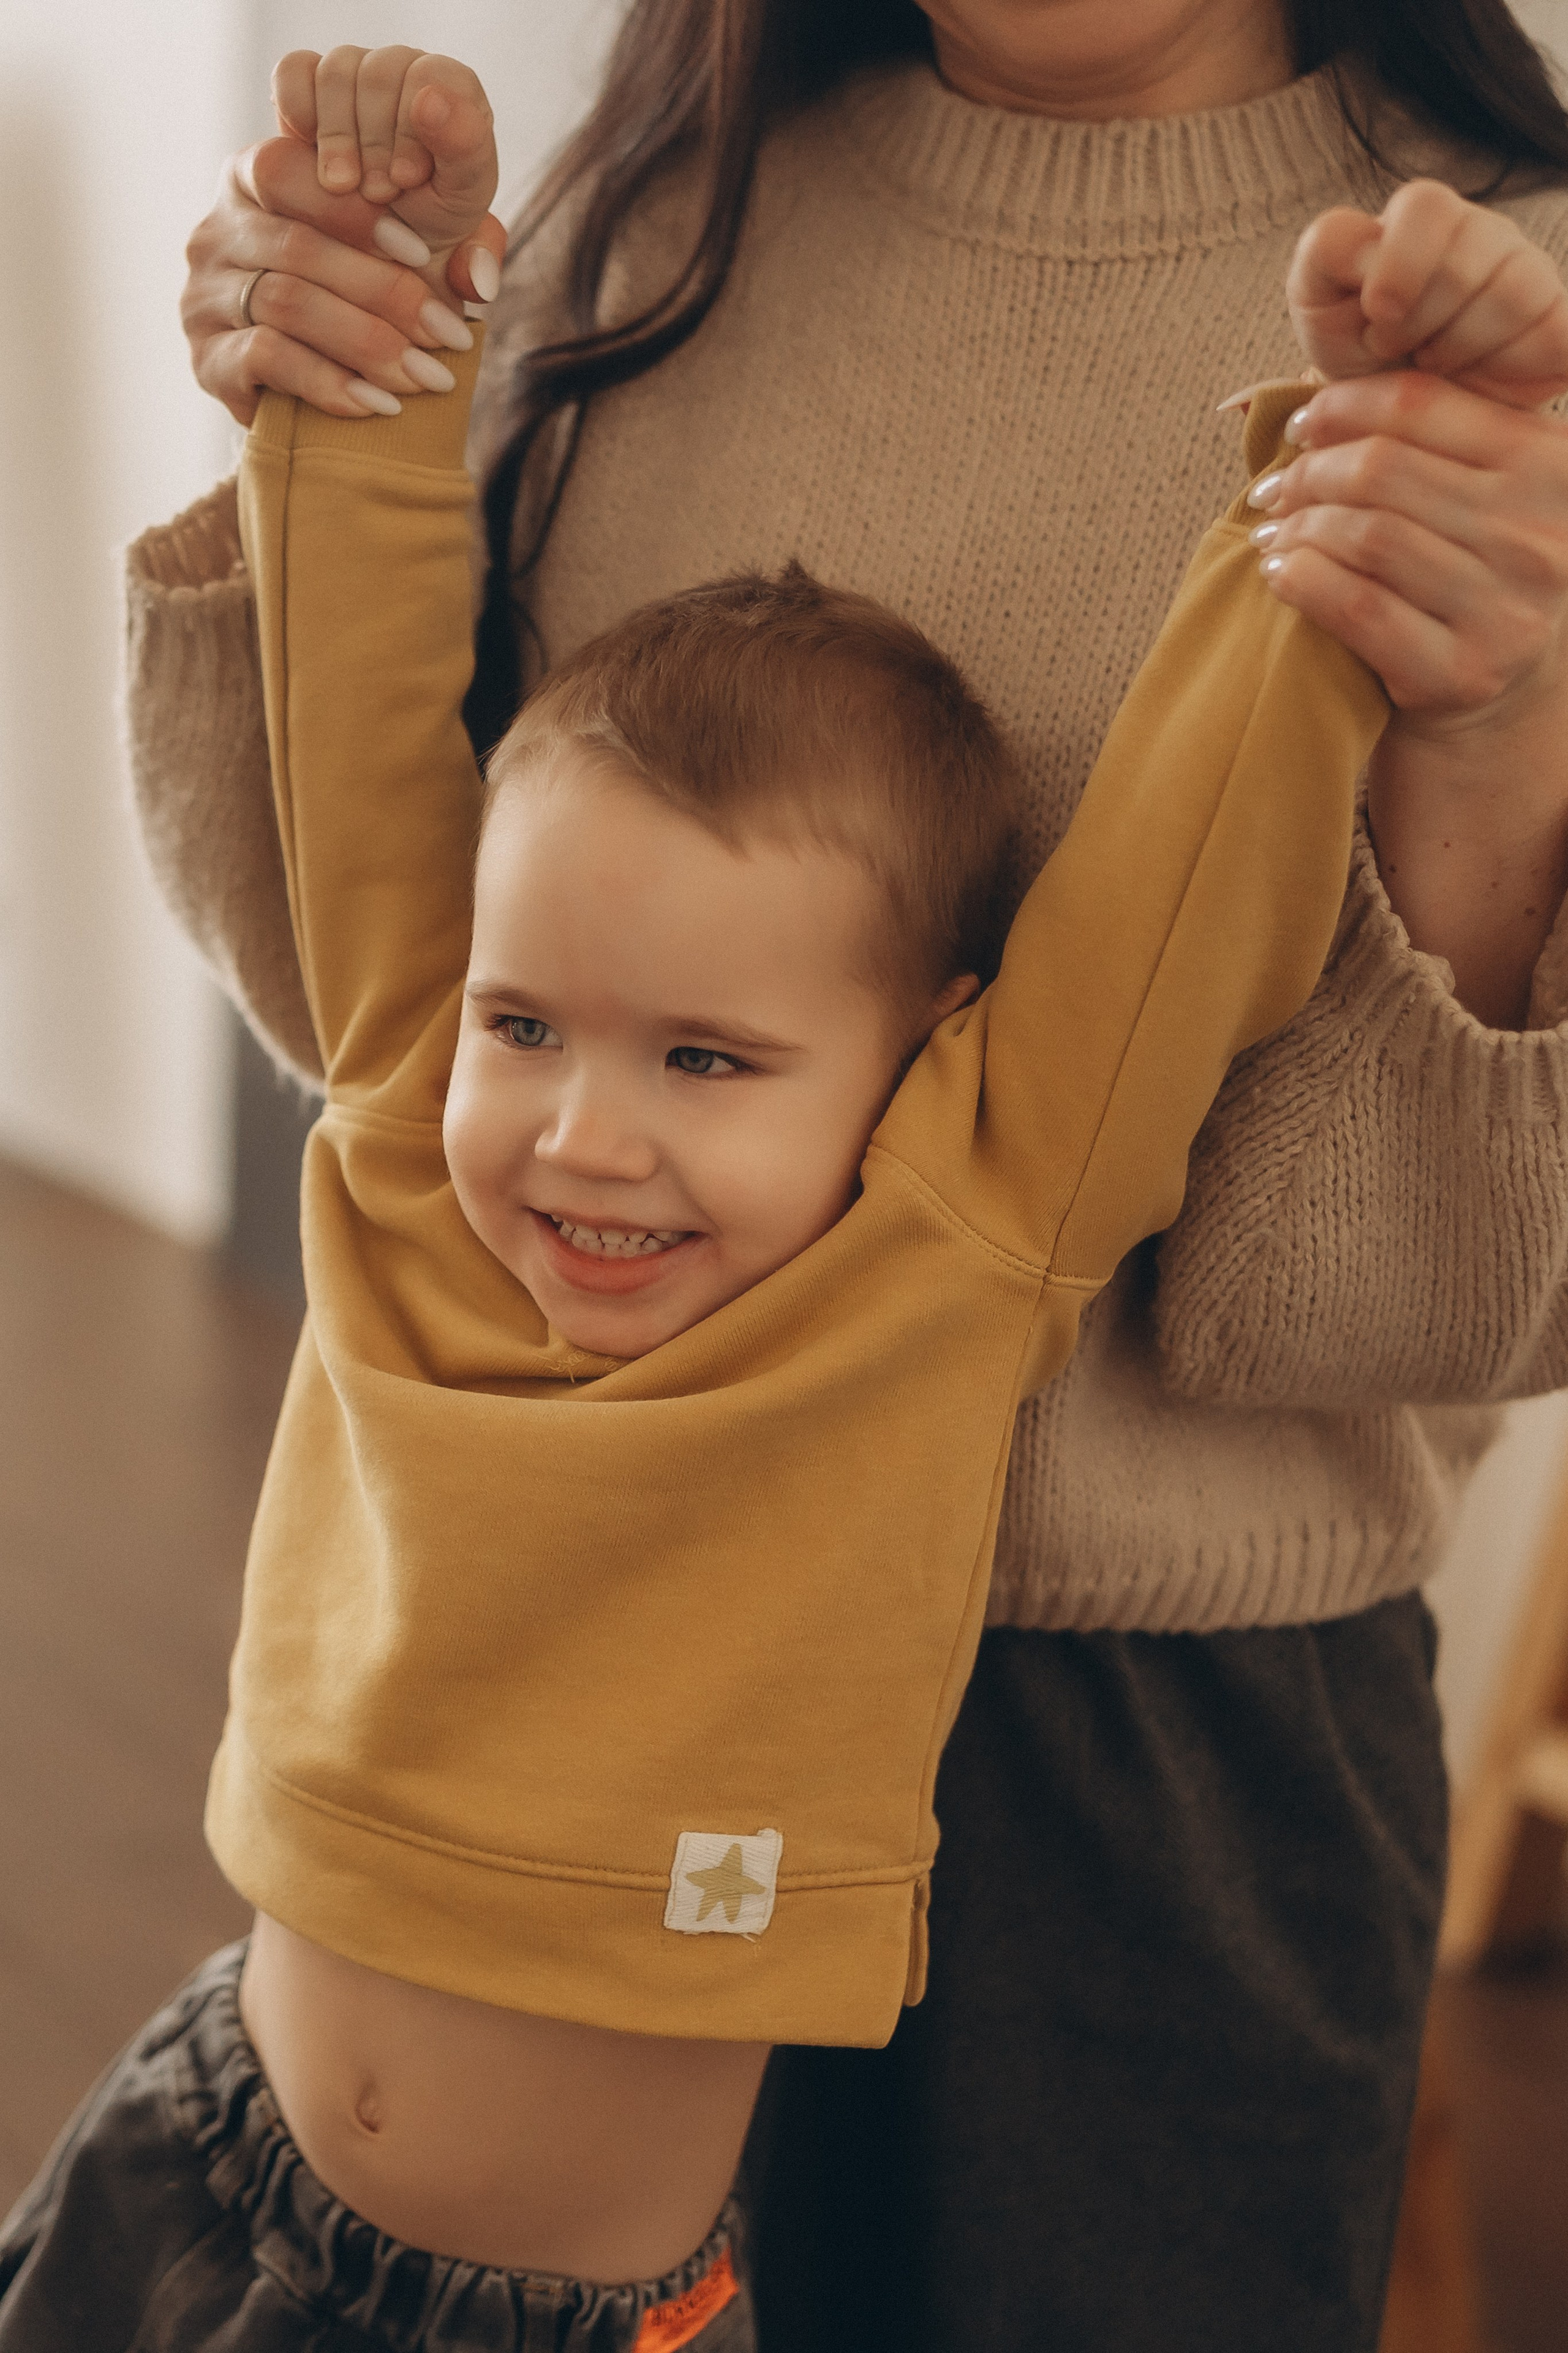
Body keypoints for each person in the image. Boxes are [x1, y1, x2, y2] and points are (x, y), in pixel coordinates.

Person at [118, 9, 1568, 2349]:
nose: (596, 1122)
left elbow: (1265, 1116)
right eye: (557, 1053)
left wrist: (1435, 670)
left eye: (695, 1057)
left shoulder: (1513, 322)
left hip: (1148, 1793)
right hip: (301, 2078)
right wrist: (333, 383)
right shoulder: (668, 199)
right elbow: (384, 973)